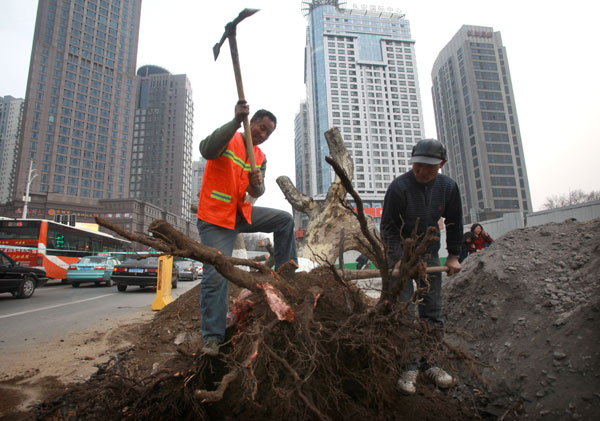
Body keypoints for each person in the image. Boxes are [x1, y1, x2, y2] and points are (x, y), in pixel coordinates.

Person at [196, 100, 298, 357]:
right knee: (215, 275)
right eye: (261, 128)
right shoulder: (229, 138)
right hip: (215, 219)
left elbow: (257, 192)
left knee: (284, 220)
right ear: (250, 122)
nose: (262, 135)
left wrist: (257, 184)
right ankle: (212, 338)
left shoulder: (260, 157)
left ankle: (287, 274)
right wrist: (233, 120)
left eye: (268, 133)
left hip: (240, 214)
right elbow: (206, 149)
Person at [380, 138, 463, 395]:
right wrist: (396, 260)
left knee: (432, 311)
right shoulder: (399, 188)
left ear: (441, 165)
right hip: (402, 257)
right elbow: (388, 228)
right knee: (405, 311)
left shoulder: (448, 188)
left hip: (429, 254)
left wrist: (453, 256)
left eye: (429, 167)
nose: (422, 171)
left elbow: (454, 223)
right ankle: (409, 366)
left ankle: (432, 363)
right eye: (417, 165)